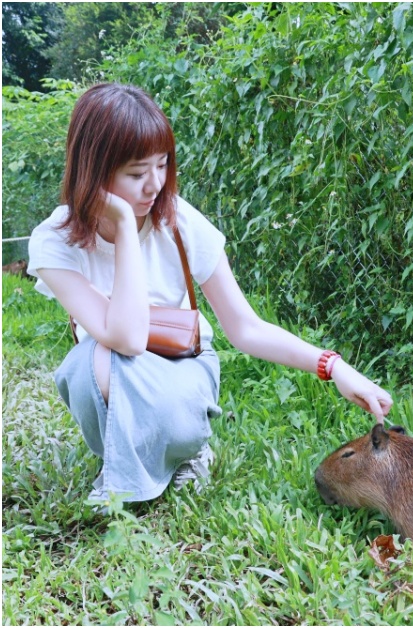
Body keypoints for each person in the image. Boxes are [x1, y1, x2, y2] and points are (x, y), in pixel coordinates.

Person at [27, 83, 393, 509]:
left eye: (162, 165)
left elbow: (246, 327)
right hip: (111, 366)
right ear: (92, 171)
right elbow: (124, 338)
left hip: (181, 367)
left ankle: (186, 453)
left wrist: (334, 367)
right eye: (135, 173)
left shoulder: (179, 221)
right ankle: (130, 464)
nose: (154, 185)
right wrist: (125, 226)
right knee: (88, 365)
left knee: (114, 368)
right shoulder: (55, 241)